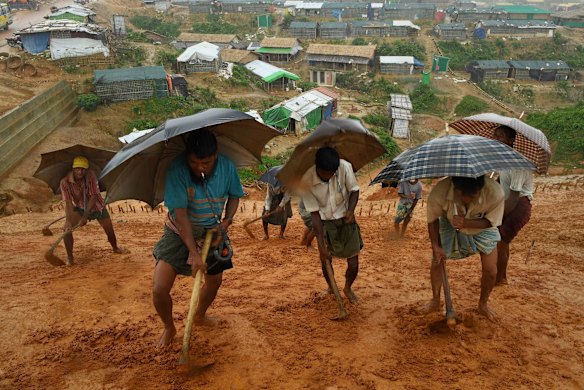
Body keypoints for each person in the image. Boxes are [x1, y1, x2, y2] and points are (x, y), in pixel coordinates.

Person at [151, 129, 244, 346]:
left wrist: (226, 222)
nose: (200, 167)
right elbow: (181, 216)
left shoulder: (227, 167)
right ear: (187, 157)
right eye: (194, 162)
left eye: (206, 162)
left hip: (213, 232)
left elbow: (234, 196)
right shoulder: (177, 170)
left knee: (214, 281)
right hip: (178, 231)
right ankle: (169, 327)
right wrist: (193, 252)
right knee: (159, 289)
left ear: (215, 155)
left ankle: (200, 314)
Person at [422, 175, 504, 321]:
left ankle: (483, 304)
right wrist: (436, 246)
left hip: (482, 226)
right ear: (454, 186)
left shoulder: (495, 193)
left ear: (481, 189)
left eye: (472, 196)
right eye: (461, 195)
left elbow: (491, 222)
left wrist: (467, 223)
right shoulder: (440, 191)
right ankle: (435, 300)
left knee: (491, 271)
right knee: (437, 262)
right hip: (448, 221)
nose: (466, 200)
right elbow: (432, 219)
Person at [301, 147, 362, 304]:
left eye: (332, 173)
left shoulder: (344, 167)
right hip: (324, 222)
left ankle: (348, 288)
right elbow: (314, 215)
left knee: (354, 263)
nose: (328, 177)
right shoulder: (307, 181)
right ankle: (330, 287)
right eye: (324, 174)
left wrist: (350, 210)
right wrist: (320, 245)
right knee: (325, 260)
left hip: (346, 220)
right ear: (317, 167)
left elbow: (354, 191)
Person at [59, 156, 127, 266]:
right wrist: (68, 220)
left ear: (86, 170)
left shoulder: (90, 175)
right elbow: (67, 202)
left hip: (97, 206)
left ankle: (115, 247)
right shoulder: (64, 182)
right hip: (81, 207)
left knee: (109, 228)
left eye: (83, 169)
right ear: (73, 169)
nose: (80, 172)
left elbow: (94, 196)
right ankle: (70, 258)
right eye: (77, 169)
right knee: (67, 229)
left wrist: (85, 217)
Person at [493, 125, 533, 285]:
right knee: (501, 241)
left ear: (511, 141)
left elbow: (514, 197)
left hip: (519, 207)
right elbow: (502, 182)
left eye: (500, 136)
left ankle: (500, 278)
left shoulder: (518, 164)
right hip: (507, 203)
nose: (496, 139)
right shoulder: (504, 160)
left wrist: (496, 215)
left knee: (501, 241)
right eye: (494, 135)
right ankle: (499, 275)